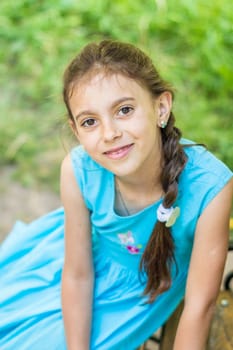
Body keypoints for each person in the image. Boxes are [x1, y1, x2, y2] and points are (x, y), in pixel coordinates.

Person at [0, 40, 232, 350]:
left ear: (160, 107)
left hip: (144, 288)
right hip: (76, 266)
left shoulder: (211, 189)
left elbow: (200, 307)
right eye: (90, 121)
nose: (109, 133)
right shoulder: (78, 170)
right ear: (76, 130)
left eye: (124, 110)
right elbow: (78, 274)